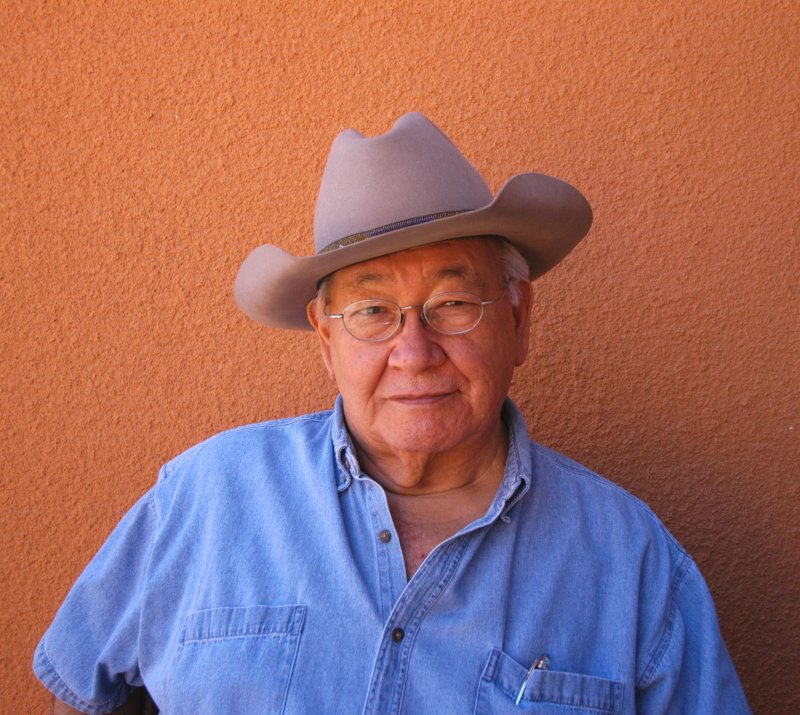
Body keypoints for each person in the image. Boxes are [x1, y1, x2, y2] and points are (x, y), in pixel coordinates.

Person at [34, 113, 751, 714]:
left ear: (520, 319)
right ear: (326, 339)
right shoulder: (205, 497)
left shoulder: (633, 563)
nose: (414, 351)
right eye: (373, 310)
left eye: (452, 304)